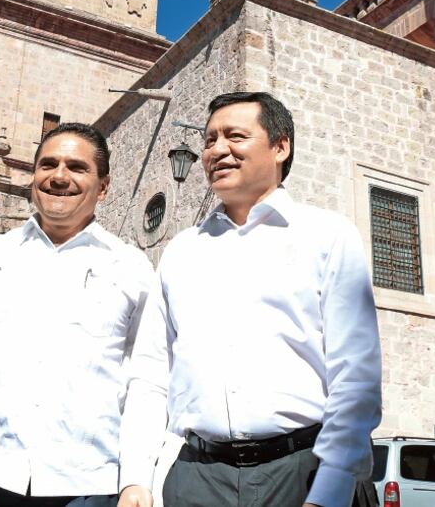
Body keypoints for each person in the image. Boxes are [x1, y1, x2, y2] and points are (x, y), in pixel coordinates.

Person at [119, 91, 382, 507]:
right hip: (195, 479)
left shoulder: (327, 236)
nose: (216, 150)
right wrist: (136, 478)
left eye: (234, 136)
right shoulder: (182, 252)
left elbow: (356, 374)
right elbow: (151, 374)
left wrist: (330, 488)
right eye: (209, 140)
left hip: (304, 472)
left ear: (280, 146)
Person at [0, 123, 158, 507]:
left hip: (85, 487)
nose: (59, 177)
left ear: (104, 186)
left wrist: (136, 478)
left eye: (77, 167)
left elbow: (148, 379)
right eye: (48, 165)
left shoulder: (132, 268)